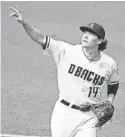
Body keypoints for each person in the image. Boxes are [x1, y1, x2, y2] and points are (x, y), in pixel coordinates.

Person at [9, 6, 119, 137]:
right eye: (85, 32)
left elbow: (113, 83)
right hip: (64, 114)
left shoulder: (109, 64)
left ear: (100, 40)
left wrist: (110, 100)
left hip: (90, 117)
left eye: (91, 34)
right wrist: (24, 23)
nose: (85, 36)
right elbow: (42, 39)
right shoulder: (66, 51)